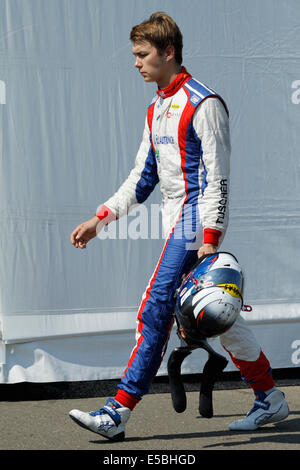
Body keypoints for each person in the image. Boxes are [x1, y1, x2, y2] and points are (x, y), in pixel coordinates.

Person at [69, 12, 288, 440]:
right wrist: (101, 218)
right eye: (135, 55)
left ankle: (117, 411)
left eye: (143, 54)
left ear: (168, 53)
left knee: (155, 309)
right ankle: (269, 396)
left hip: (196, 223)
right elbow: (142, 178)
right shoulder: (156, 109)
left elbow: (219, 179)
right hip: (176, 224)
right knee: (212, 314)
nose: (136, 63)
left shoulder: (204, 104)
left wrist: (209, 237)